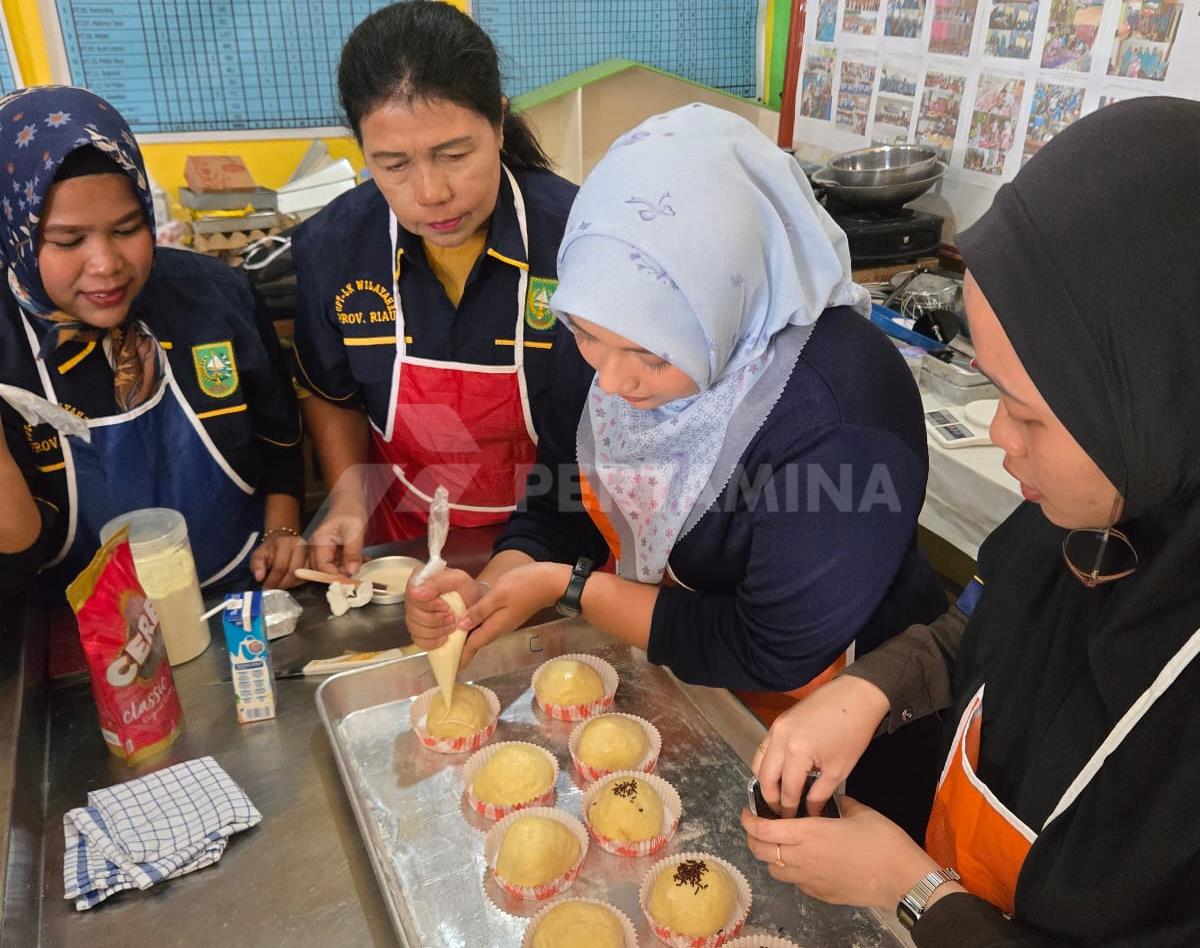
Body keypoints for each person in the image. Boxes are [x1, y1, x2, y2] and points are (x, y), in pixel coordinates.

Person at [407, 104, 947, 827]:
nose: (614, 381)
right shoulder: (598, 334)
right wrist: (493, 587)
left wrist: (570, 589)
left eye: (653, 357)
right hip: (678, 681)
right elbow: (557, 503)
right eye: (589, 336)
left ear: (726, 303)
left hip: (832, 728)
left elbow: (771, 648)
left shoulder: (840, 411)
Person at [741, 97, 1200, 946]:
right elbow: (987, 626)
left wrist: (914, 891)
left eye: (1027, 415)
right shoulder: (1102, 503)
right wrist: (870, 690)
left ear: (1156, 401)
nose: (999, 436)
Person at [293, 1, 578, 573]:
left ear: (499, 124)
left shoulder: (575, 237)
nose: (430, 194)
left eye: (454, 154)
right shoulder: (336, 247)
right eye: (393, 164)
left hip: (561, 538)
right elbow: (331, 391)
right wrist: (348, 495)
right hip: (404, 545)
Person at [0, 86, 304, 599]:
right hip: (87, 627)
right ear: (16, 236)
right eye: (69, 240)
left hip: (241, 592)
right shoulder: (9, 349)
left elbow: (279, 438)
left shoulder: (214, 297)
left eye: (127, 228)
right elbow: (16, 556)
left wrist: (283, 530)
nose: (106, 265)